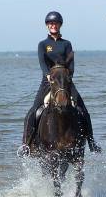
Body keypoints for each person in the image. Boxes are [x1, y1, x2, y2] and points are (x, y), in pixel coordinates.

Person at [18, 11, 101, 156]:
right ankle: (26, 145)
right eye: (50, 23)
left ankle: (92, 142)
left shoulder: (66, 44)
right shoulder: (43, 44)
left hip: (65, 82)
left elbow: (72, 65)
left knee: (83, 110)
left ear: (60, 25)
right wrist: (48, 75)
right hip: (48, 81)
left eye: (55, 23)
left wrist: (68, 78)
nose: (53, 25)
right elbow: (42, 63)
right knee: (33, 111)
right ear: (47, 26)